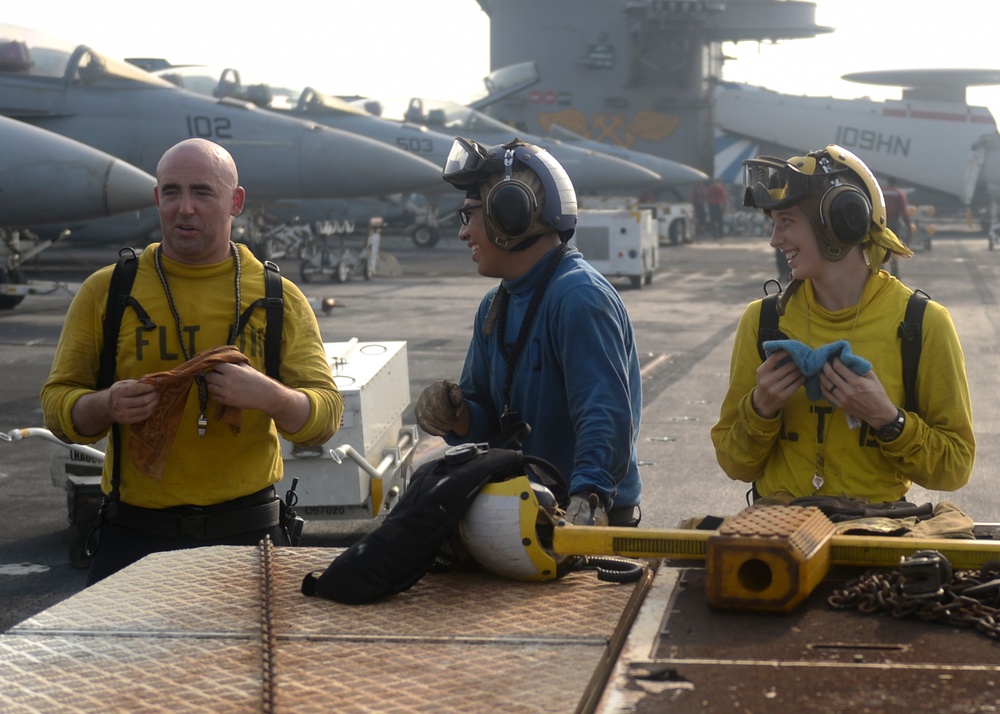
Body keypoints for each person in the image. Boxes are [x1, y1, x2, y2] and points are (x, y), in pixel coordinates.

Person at [41, 138, 344, 584]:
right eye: (171, 192)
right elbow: (58, 406)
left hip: (246, 535)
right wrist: (106, 405)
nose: (185, 208)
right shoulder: (108, 291)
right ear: (156, 198)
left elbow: (325, 416)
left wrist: (270, 397)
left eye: (202, 192)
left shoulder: (278, 297)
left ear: (234, 201)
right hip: (135, 538)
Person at [711, 144, 974, 505]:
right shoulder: (764, 321)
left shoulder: (923, 324)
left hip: (876, 535)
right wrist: (761, 408)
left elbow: (955, 466)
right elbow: (734, 462)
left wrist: (889, 420)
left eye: (786, 222)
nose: (775, 240)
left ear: (840, 221)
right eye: (774, 224)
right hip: (779, 533)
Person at [415, 137, 642, 527]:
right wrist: (457, 416)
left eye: (469, 215)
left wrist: (587, 500)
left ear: (511, 214)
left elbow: (602, 413)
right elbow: (488, 418)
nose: (463, 233)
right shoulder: (496, 304)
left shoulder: (578, 296)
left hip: (583, 515)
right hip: (527, 510)